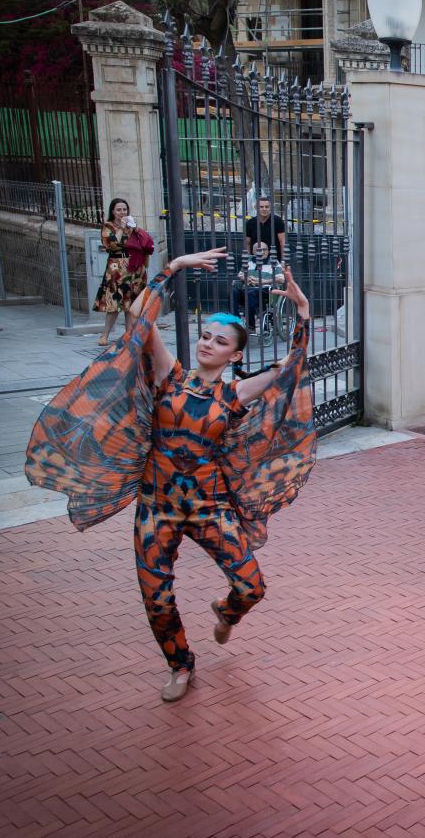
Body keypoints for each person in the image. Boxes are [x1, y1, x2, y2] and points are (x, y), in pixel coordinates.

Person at [25, 250, 318, 702]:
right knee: (156, 597)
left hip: (209, 506)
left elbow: (291, 368)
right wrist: (173, 267)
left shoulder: (236, 393)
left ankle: (226, 612)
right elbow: (139, 325)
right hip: (155, 507)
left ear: (235, 354)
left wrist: (302, 311)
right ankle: (181, 664)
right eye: (204, 335)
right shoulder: (169, 375)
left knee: (251, 586)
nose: (207, 344)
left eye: (219, 341)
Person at [93, 198, 154, 346]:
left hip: (134, 268)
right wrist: (121, 228)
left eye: (124, 209)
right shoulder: (108, 226)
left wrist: (134, 228)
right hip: (117, 269)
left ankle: (129, 334)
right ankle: (105, 334)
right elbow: (111, 244)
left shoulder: (132, 225)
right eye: (119, 210)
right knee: (114, 302)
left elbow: (141, 242)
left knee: (131, 302)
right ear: (113, 211)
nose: (122, 212)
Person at [232, 241, 285, 331]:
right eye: (259, 250)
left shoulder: (273, 261)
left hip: (265, 290)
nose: (262, 252)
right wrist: (247, 279)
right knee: (233, 291)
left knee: (251, 293)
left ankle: (250, 326)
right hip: (248, 288)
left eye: (265, 250)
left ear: (268, 251)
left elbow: (281, 279)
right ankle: (235, 321)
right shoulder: (249, 261)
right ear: (253, 252)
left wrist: (263, 281)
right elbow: (240, 275)